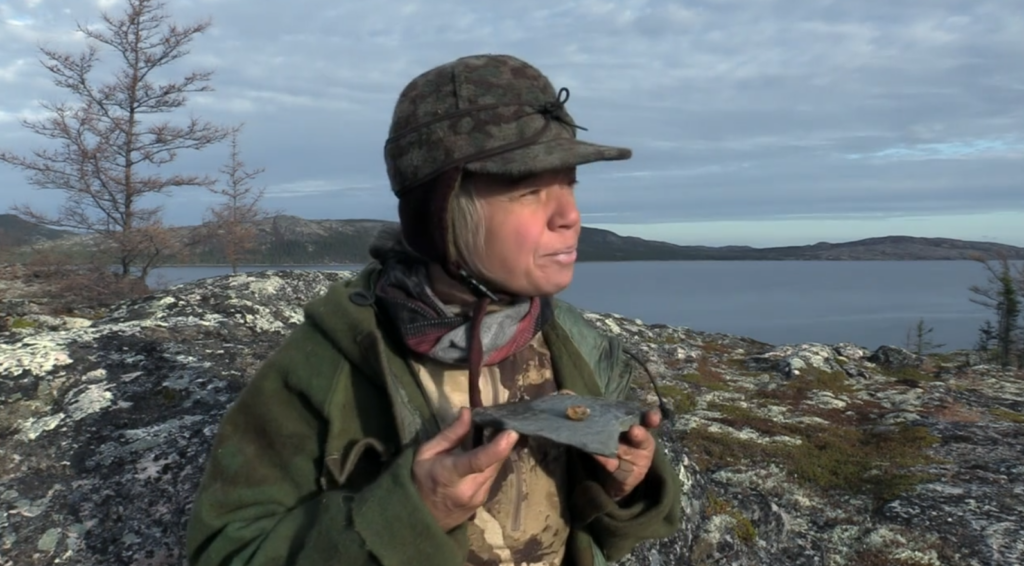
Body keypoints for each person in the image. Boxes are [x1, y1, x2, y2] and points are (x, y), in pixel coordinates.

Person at [185, 53, 682, 566]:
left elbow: (606, 531)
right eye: (530, 190)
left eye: (570, 183)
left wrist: (622, 484)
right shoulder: (327, 365)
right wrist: (408, 514)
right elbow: (225, 553)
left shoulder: (575, 341)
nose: (570, 216)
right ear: (440, 212)